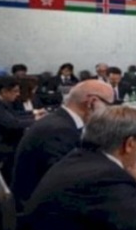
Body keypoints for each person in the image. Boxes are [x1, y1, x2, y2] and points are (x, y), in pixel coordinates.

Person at [12, 79, 115, 209]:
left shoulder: (61, 122)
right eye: (109, 106)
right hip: (41, 209)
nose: (109, 112)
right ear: (91, 102)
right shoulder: (58, 131)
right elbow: (69, 180)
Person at [0, 76, 43, 184]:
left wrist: (34, 113)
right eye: (15, 91)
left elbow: (13, 115)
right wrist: (37, 120)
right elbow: (12, 123)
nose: (18, 94)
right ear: (4, 91)